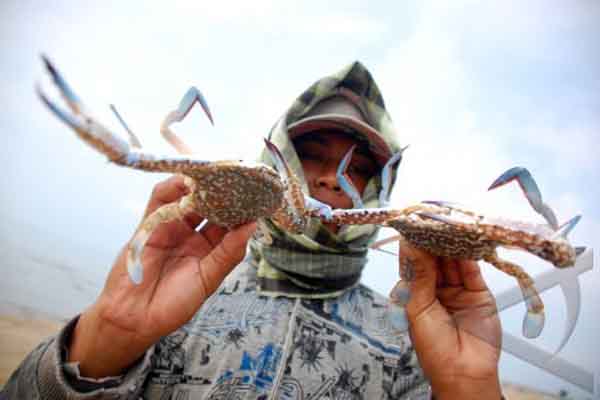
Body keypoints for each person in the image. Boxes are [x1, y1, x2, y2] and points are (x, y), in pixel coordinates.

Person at [3, 62, 504, 399]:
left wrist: (469, 385)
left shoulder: (415, 335)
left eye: (356, 167)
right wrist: (107, 337)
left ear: (382, 185)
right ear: (275, 155)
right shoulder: (174, 289)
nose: (331, 176)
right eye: (309, 155)